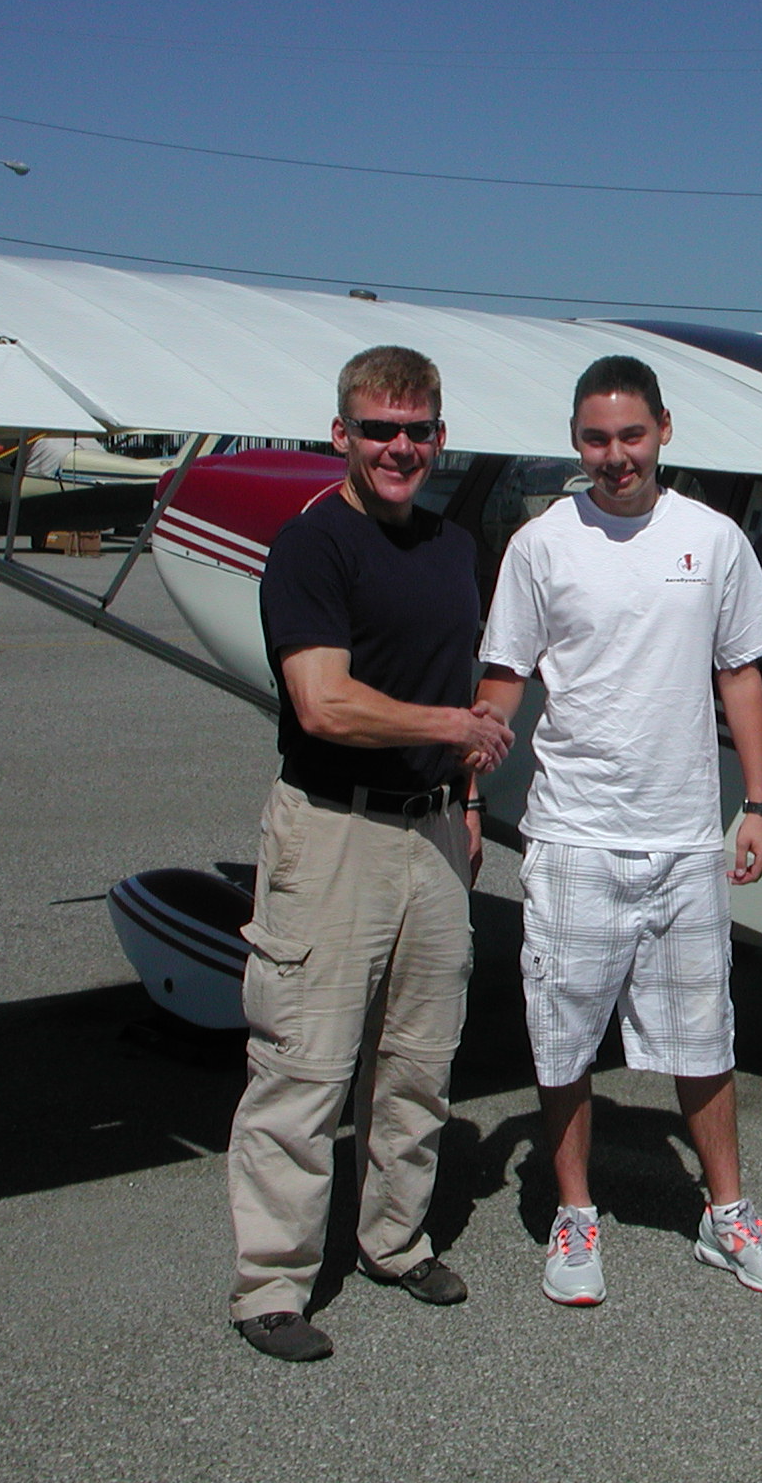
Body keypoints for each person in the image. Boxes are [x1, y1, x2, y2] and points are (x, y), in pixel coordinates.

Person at [477, 354, 762, 1306]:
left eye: (631, 436)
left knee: (705, 1036)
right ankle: (574, 1214)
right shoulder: (541, 546)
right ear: (575, 442)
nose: (614, 457)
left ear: (665, 429)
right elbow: (505, 676)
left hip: (686, 840)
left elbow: (740, 672)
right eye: (594, 439)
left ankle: (727, 1214)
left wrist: (758, 802)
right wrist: (461, 771)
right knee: (564, 1038)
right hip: (576, 836)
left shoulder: (713, 539)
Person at [226, 344, 512, 1361]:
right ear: (340, 435)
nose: (401, 447)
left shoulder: (450, 548)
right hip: (334, 828)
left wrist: (469, 796)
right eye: (380, 429)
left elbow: (467, 690)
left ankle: (394, 1238)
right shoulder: (313, 547)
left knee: (421, 1059)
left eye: (419, 429)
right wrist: (450, 730)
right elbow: (322, 701)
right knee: (304, 1062)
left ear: (438, 437)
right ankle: (271, 1281)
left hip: (435, 826)